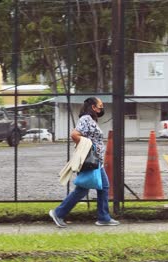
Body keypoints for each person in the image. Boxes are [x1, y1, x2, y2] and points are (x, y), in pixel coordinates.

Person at [49, 97, 120, 228]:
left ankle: (104, 217)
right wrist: (90, 146)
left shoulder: (90, 119)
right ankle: (58, 213)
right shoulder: (85, 119)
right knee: (82, 190)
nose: (101, 108)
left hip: (96, 161)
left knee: (103, 187)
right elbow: (74, 135)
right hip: (90, 160)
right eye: (100, 106)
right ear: (93, 107)